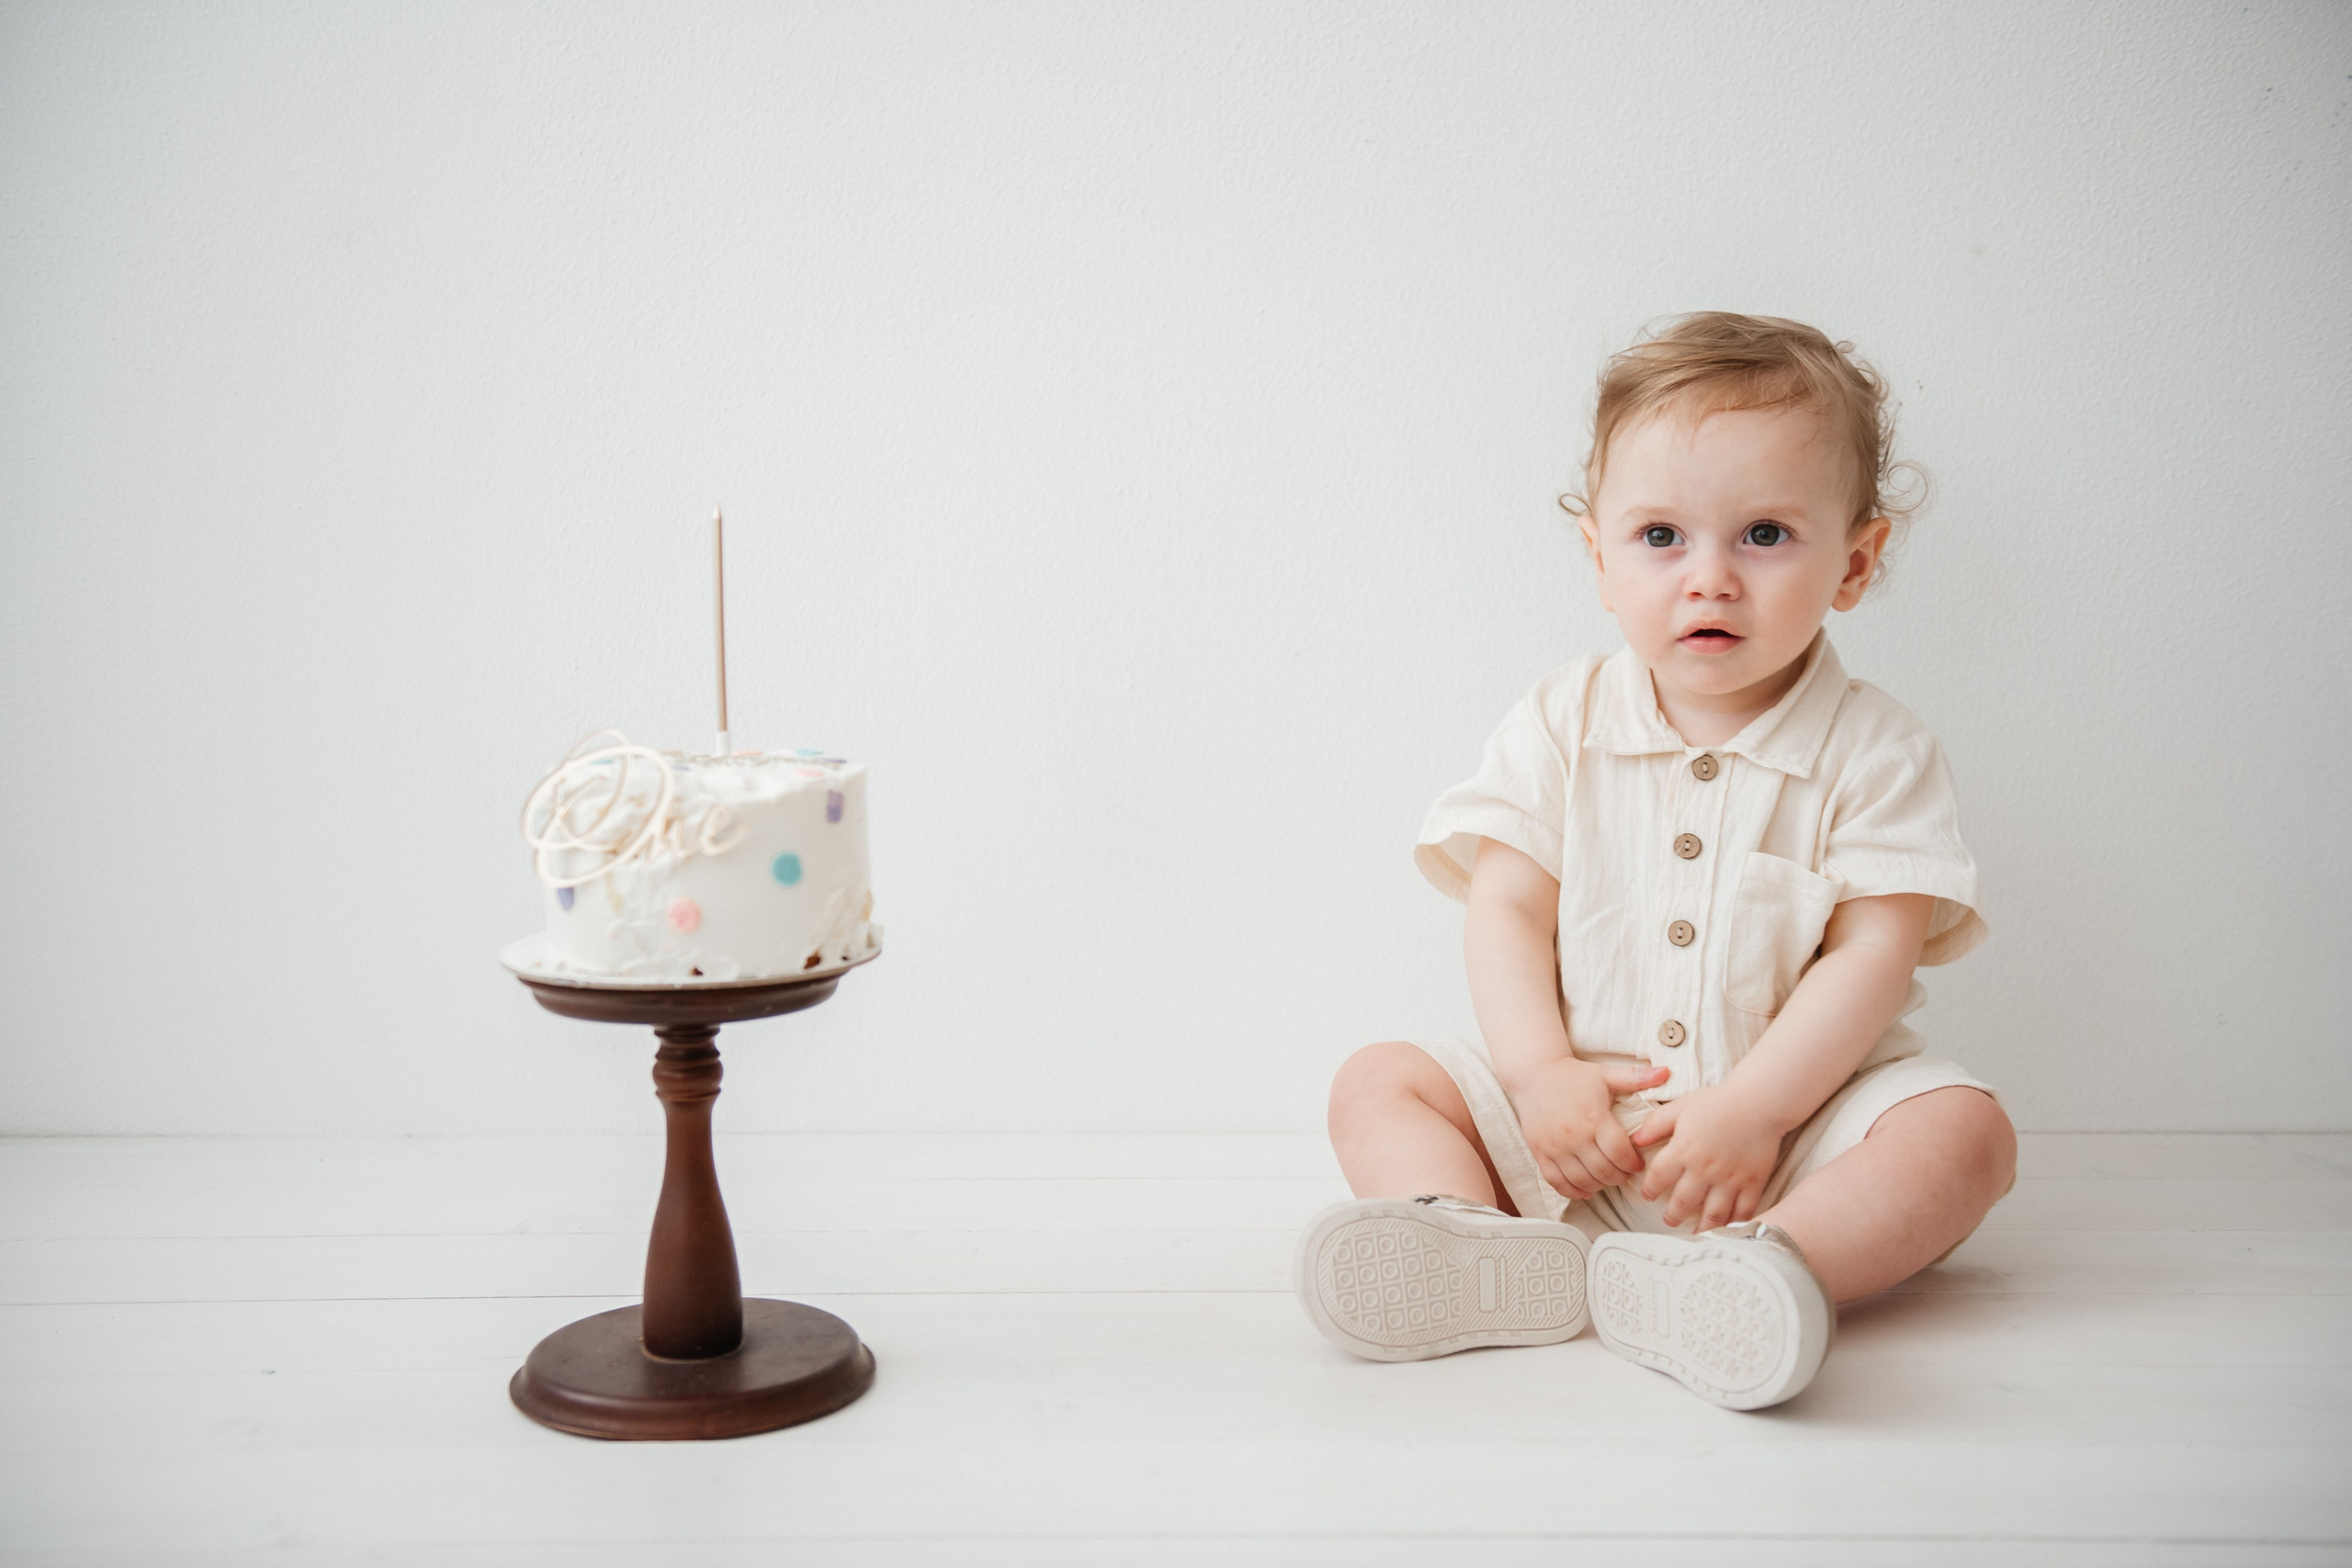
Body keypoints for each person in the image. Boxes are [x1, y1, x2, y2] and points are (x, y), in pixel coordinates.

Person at [1295, 312, 2016, 1410]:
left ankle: (1770, 1268)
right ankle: (1470, 1244)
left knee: (1964, 1132)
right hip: (1573, 1127)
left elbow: (1873, 954)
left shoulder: (1877, 749)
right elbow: (1505, 910)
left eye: (1764, 535)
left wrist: (1761, 1113)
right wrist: (1538, 1077)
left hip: (1785, 1138)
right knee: (1379, 1081)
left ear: (1854, 562)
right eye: (1661, 537)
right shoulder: (1560, 720)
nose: (1710, 579)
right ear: (1599, 557)